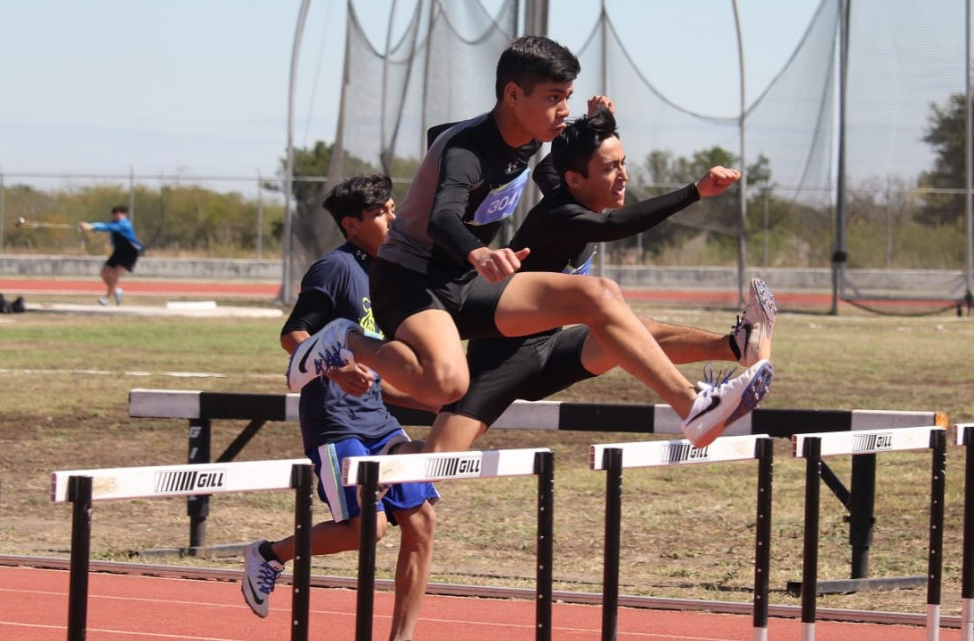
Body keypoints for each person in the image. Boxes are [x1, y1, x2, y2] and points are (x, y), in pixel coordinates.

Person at [287, 35, 769, 449]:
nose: (564, 109)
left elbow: (563, 158)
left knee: (599, 295)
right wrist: (476, 249)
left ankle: (694, 407)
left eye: (569, 96)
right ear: (513, 95)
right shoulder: (467, 150)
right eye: (554, 97)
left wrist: (595, 122)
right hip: (412, 280)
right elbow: (442, 216)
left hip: (466, 279)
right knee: (445, 385)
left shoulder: (533, 137)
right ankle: (343, 339)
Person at [407, 106, 776, 453]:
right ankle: (371, 495)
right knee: (430, 467)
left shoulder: (565, 186)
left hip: (553, 348)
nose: (624, 176)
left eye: (624, 163)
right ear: (575, 179)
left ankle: (737, 346)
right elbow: (617, 225)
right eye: (610, 168)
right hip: (502, 359)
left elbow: (546, 171)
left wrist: (600, 120)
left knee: (628, 327)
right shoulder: (560, 215)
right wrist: (694, 192)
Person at [242, 175, 438, 641]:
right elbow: (293, 335)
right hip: (335, 423)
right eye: (383, 212)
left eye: (394, 208)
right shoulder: (335, 269)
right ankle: (271, 553)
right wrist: (333, 371)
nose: (394, 218)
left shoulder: (391, 272)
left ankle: (402, 638)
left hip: (379, 420)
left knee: (421, 522)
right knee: (366, 531)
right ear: (352, 224)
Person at [79, 205, 145, 305]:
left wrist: (92, 227)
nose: (117, 215)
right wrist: (90, 225)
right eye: (115, 213)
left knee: (115, 275)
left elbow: (108, 227)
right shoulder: (114, 223)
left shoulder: (125, 224)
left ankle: (106, 298)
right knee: (104, 273)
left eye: (120, 213)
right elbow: (105, 225)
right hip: (118, 251)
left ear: (124, 214)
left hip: (130, 252)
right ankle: (116, 291)